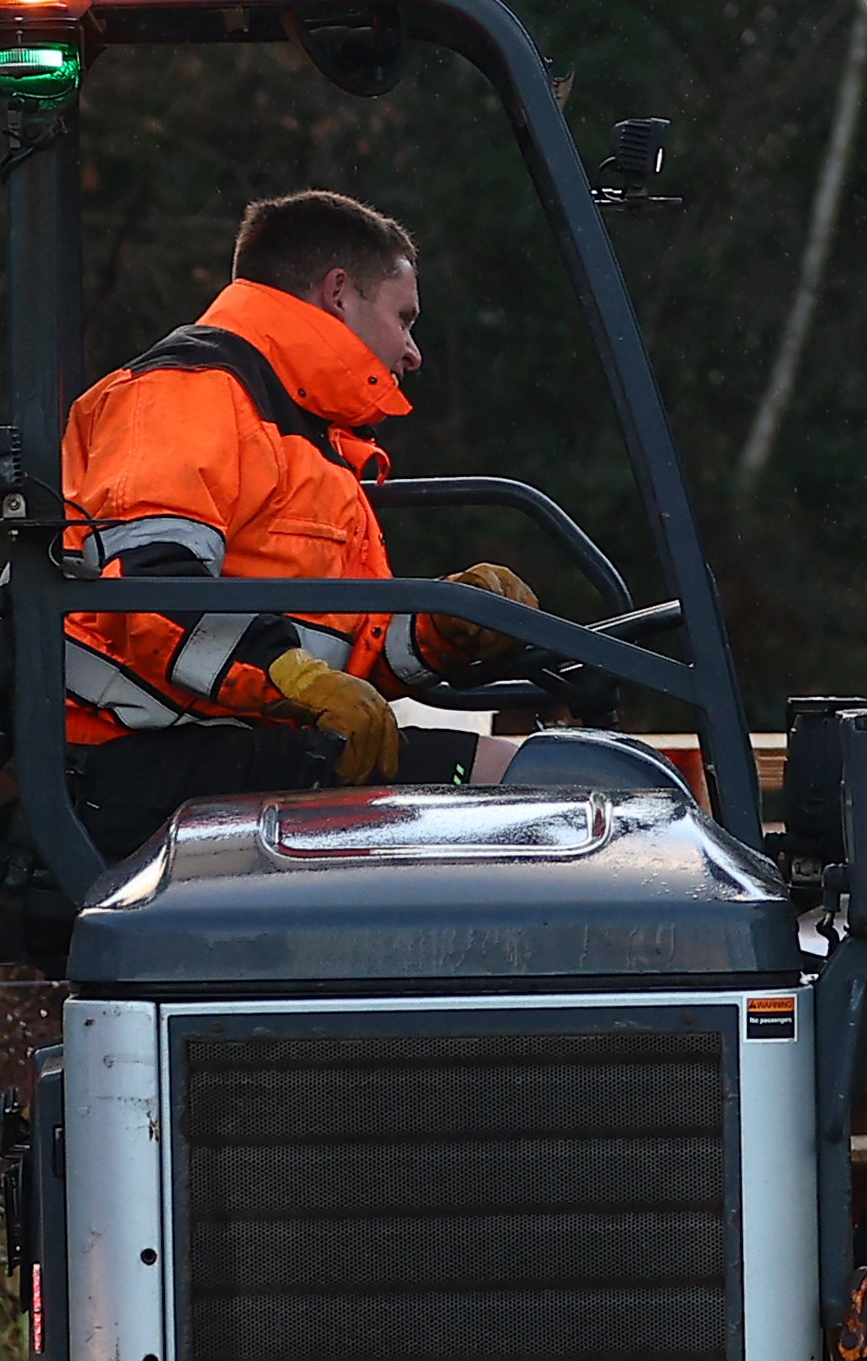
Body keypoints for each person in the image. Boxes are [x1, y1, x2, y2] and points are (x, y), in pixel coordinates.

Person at [55, 189, 537, 859]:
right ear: (339, 292)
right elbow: (150, 595)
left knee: (539, 784)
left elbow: (340, 651)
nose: (413, 352)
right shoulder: (185, 395)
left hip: (224, 745)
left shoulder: (304, 439)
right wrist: (294, 681)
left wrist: (443, 631)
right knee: (532, 795)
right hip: (130, 762)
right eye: (405, 318)